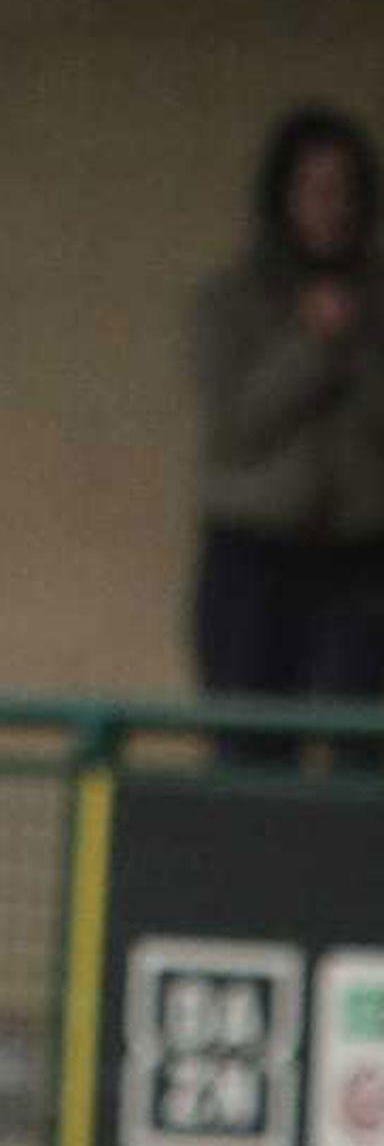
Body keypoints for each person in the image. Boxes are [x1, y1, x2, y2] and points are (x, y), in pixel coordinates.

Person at [192, 105, 384, 769]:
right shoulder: (233, 299)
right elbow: (234, 427)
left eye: (345, 191)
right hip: (254, 558)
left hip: (360, 559)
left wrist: (354, 342)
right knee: (249, 747)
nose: (331, 209)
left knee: (362, 749)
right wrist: (313, 344)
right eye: (314, 190)